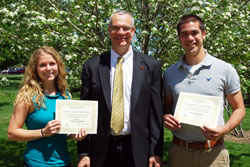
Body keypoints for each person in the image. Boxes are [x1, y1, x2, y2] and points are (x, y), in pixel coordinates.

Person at [77, 10, 163, 167]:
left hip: (138, 149)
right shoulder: (92, 66)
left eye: (125, 28)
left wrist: (155, 151)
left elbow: (155, 114)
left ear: (133, 31)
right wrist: (84, 153)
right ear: (109, 30)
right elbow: (85, 110)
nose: (120, 33)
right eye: (115, 28)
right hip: (102, 149)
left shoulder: (151, 66)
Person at [163, 14, 245, 167]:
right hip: (180, 152)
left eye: (194, 32)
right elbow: (167, 108)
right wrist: (166, 117)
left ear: (204, 34)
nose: (190, 38)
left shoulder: (225, 69)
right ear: (180, 38)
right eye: (184, 34)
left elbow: (239, 109)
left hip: (214, 153)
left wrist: (225, 129)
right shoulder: (169, 73)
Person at [7, 46, 87, 167]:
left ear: (58, 66)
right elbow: (11, 133)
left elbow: (63, 129)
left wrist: (74, 135)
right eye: (42, 65)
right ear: (35, 69)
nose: (48, 68)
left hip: (64, 162)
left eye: (52, 63)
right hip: (36, 163)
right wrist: (43, 132)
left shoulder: (65, 94)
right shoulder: (27, 96)